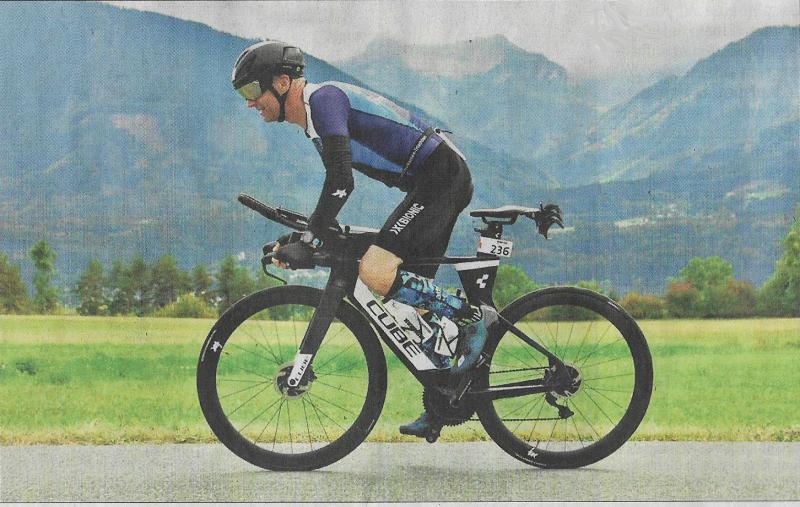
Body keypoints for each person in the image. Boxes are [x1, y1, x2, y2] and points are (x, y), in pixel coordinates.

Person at [231, 40, 496, 438]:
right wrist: (304, 236)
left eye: (253, 90)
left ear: (283, 82)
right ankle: (447, 392)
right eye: (244, 95)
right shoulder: (315, 120)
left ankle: (472, 318)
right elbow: (333, 201)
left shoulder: (323, 101)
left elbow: (341, 182)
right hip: (433, 182)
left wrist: (310, 236)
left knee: (376, 270)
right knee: (411, 302)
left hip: (441, 178)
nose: (251, 103)